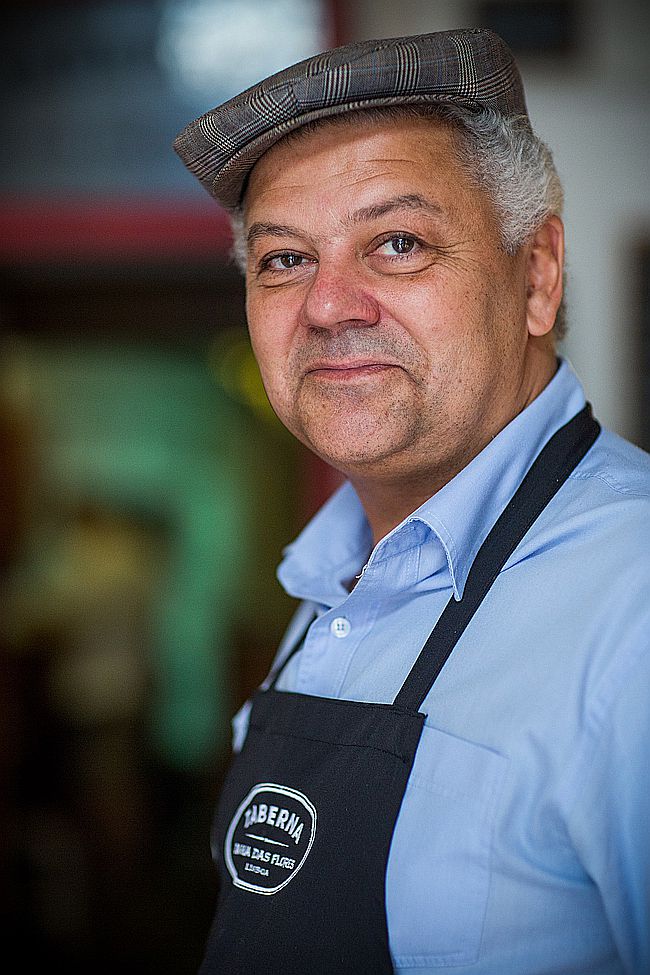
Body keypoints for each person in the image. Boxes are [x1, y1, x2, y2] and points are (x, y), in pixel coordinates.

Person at [174, 28, 650, 975]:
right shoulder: (329, 585)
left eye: (398, 243)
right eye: (283, 260)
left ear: (538, 275)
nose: (328, 304)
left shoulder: (634, 599)